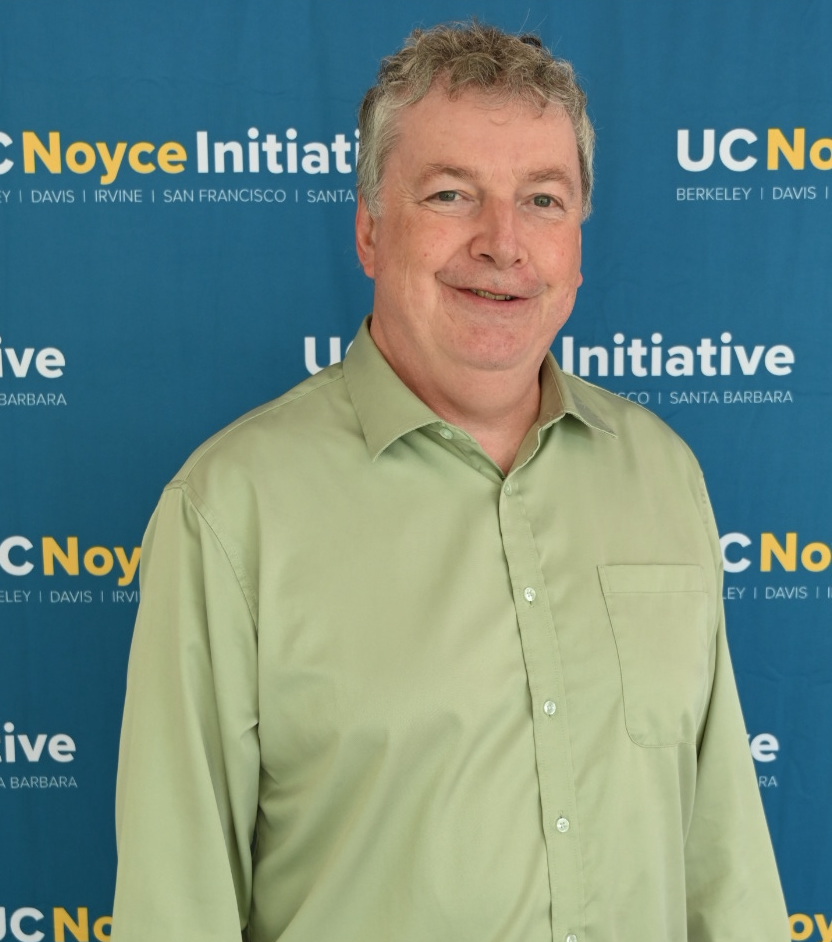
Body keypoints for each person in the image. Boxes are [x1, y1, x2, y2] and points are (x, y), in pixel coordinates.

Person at [112, 21, 790, 942]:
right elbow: (173, 905)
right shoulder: (230, 509)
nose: (502, 243)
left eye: (543, 200)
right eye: (450, 195)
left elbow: (725, 862)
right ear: (369, 230)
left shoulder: (663, 475)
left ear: (577, 244)